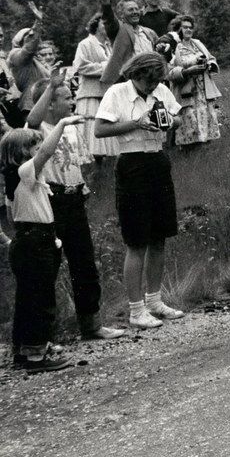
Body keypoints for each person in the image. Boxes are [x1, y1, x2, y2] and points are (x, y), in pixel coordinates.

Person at [26, 72, 125, 341]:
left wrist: (83, 186)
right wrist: (50, 87)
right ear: (48, 103)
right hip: (51, 203)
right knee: (49, 267)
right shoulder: (38, 130)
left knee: (84, 264)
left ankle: (91, 325)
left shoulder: (71, 126)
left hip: (74, 200)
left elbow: (78, 163)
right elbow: (33, 120)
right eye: (66, 97)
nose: (72, 102)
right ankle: (44, 335)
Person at [94, 53, 184, 329]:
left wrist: (168, 120)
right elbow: (99, 129)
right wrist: (136, 123)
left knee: (159, 236)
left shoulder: (161, 90)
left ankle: (155, 300)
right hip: (132, 162)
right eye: (148, 81)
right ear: (136, 74)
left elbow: (178, 117)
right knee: (137, 240)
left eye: (157, 81)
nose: (152, 86)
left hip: (157, 159)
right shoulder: (117, 93)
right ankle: (135, 309)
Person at [2, 116, 84, 372]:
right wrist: (61, 124)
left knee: (28, 298)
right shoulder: (23, 172)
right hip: (35, 240)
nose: (41, 152)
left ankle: (25, 350)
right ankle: (37, 355)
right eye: (34, 148)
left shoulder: (16, 181)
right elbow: (48, 151)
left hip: (29, 239)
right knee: (40, 299)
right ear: (21, 154)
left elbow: (9, 214)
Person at [168, 15, 222, 148]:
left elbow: (211, 57)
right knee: (189, 119)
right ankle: (188, 150)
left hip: (203, 89)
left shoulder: (197, 43)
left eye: (190, 27)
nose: (188, 30)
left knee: (205, 117)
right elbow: (169, 72)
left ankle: (205, 148)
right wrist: (187, 71)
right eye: (185, 27)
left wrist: (210, 64)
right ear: (178, 29)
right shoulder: (174, 46)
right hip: (186, 89)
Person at [98, 0, 159, 86]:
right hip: (129, 81)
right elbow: (108, 16)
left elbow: (161, 53)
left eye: (136, 9)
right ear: (121, 14)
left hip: (152, 81)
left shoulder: (149, 33)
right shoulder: (118, 29)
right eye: (130, 10)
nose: (135, 12)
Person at [72, 13, 117, 159]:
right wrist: (106, 67)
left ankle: (105, 172)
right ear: (95, 26)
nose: (107, 26)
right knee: (91, 137)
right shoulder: (85, 44)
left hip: (106, 94)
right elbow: (81, 67)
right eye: (104, 23)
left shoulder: (109, 45)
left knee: (107, 133)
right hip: (90, 95)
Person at [8, 22, 51, 114]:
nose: (35, 40)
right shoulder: (15, 54)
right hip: (31, 107)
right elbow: (28, 50)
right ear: (20, 41)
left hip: (45, 104)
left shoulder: (37, 60)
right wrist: (37, 26)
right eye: (28, 37)